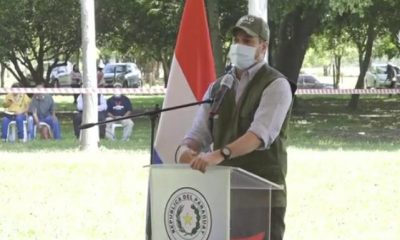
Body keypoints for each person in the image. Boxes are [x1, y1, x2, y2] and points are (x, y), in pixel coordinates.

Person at [177, 15, 296, 240]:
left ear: (263, 46)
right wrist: (186, 150)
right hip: (222, 194)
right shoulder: (218, 87)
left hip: (262, 198)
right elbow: (198, 133)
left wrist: (218, 154)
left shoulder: (276, 85)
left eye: (248, 41)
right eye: (237, 40)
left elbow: (258, 136)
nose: (239, 46)